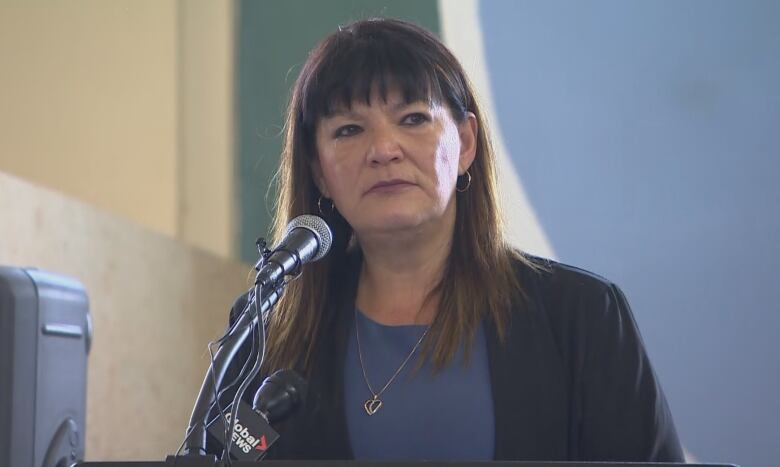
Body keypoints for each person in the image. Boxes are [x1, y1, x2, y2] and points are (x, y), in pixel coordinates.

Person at [224, 17, 684, 462]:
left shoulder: (583, 316)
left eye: (412, 119)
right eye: (349, 130)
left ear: (465, 143)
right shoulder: (267, 332)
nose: (384, 150)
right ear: (318, 170)